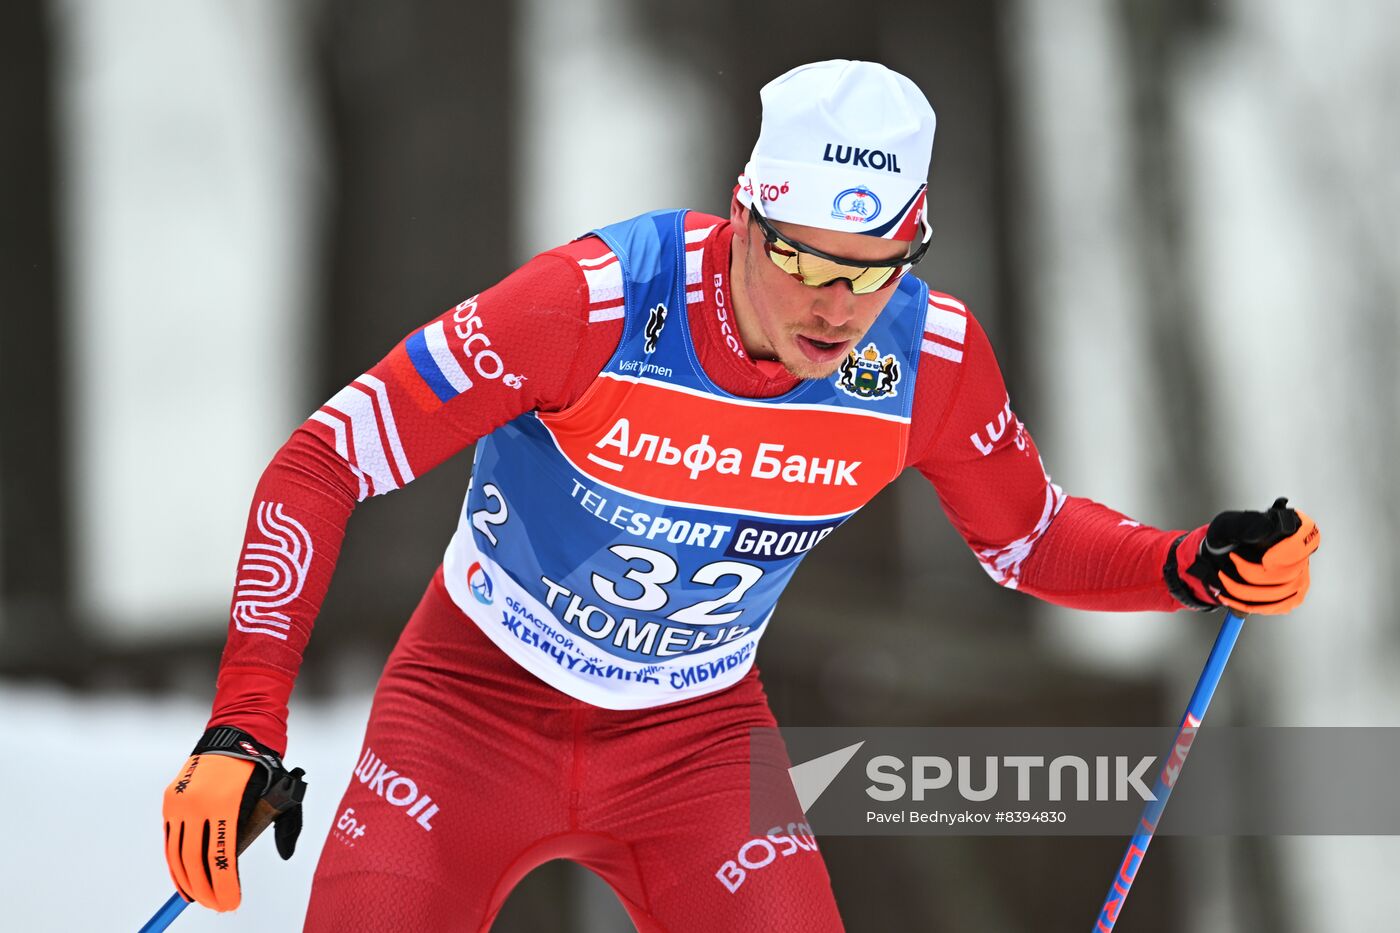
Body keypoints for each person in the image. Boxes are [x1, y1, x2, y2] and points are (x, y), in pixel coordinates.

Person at [160, 60, 1319, 932]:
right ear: (742, 217)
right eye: (804, 260)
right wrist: (240, 729)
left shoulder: (928, 359)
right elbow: (323, 459)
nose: (832, 306)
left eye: (870, 273)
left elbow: (1029, 541)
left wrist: (1189, 562)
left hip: (693, 745)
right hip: (470, 713)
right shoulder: (597, 306)